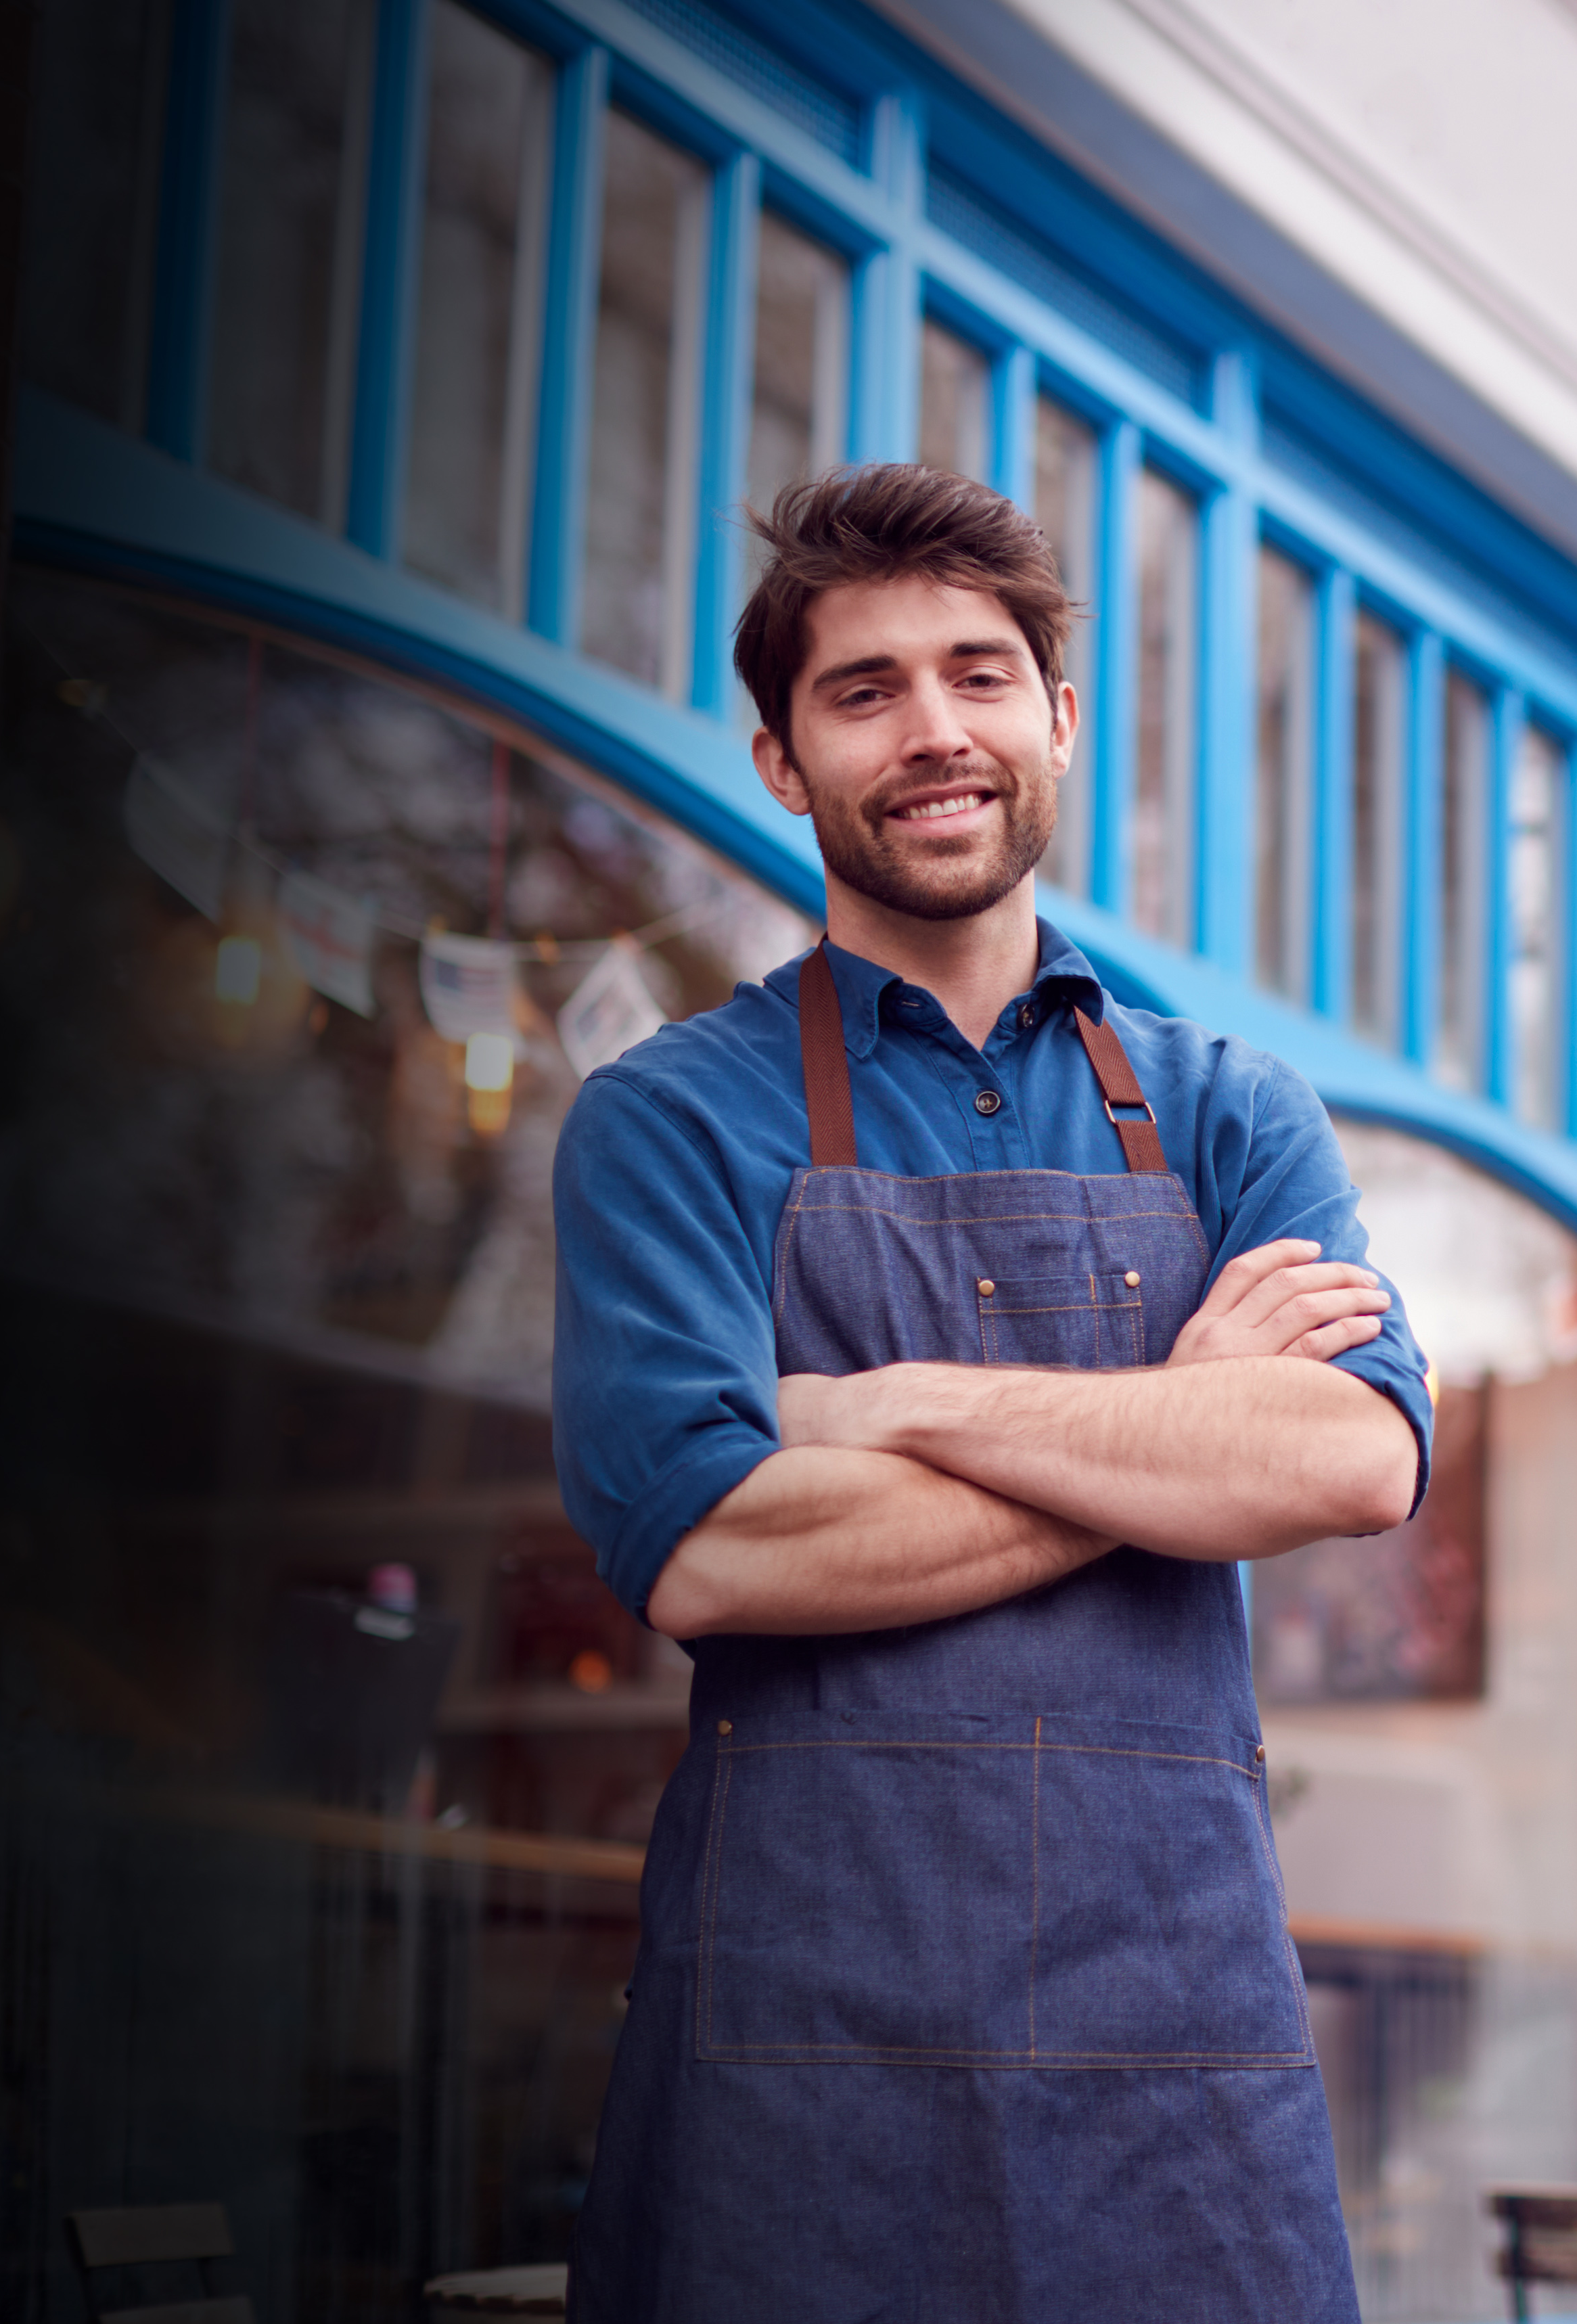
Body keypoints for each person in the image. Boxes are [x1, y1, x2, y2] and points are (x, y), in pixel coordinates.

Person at [550, 462, 1424, 2320]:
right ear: (783, 759)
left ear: (1058, 719)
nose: (932, 730)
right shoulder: (668, 1120)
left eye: (977, 674)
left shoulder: (1228, 1110)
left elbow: (1347, 1457)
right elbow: (710, 1549)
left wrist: (864, 1406)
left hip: (1173, 2044)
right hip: (804, 2045)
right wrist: (1173, 1417)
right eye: (863, 691)